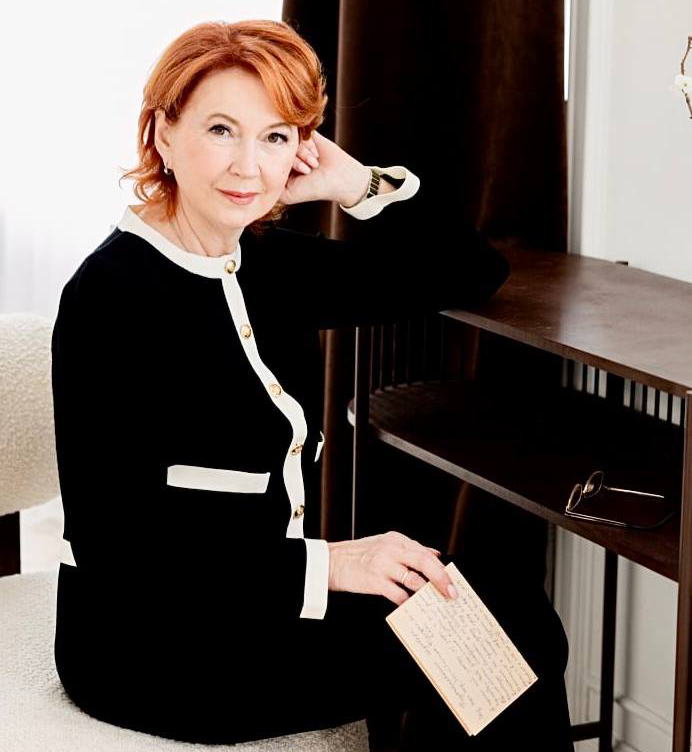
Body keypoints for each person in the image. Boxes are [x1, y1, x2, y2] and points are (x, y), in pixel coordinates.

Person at [51, 18, 573, 751]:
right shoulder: (108, 298)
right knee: (493, 641)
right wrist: (332, 563)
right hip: (151, 646)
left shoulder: (264, 263)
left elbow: (468, 272)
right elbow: (120, 548)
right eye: (222, 130)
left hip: (265, 605)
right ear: (164, 133)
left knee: (510, 613)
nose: (248, 166)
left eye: (275, 137)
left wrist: (357, 184)